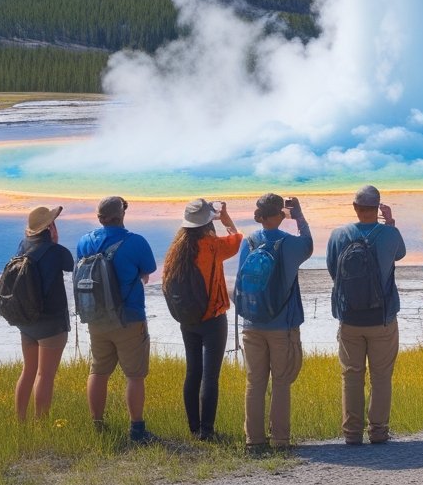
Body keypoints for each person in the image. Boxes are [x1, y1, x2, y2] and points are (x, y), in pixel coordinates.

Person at [327, 185, 406, 445]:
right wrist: (391, 222)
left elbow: (333, 271)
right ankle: (379, 431)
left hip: (349, 317)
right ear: (378, 208)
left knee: (352, 375)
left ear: (355, 208)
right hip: (382, 317)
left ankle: (352, 433)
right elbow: (400, 254)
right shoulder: (390, 234)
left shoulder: (338, 234)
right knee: (381, 375)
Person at [76, 196, 158, 443]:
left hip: (96, 317)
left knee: (99, 370)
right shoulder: (136, 242)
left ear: (99, 217)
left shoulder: (84, 242)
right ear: (122, 215)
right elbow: (148, 270)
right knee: (134, 375)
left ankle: (97, 424)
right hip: (129, 317)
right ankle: (136, 429)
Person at [161, 198, 242, 440]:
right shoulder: (213, 246)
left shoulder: (175, 250)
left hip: (187, 319)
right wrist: (226, 221)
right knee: (210, 376)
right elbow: (237, 241)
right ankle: (207, 431)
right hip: (213, 319)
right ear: (208, 221)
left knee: (193, 372)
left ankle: (193, 428)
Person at [239, 193, 313, 454]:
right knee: (281, 382)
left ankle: (254, 440)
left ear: (259, 217)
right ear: (280, 215)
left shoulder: (247, 242)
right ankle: (280, 439)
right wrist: (299, 215)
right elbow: (309, 244)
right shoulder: (291, 243)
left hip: (251, 321)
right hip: (282, 323)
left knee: (254, 382)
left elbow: (242, 280)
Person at [13, 205, 74, 420]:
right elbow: (70, 265)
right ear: (49, 227)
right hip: (51, 323)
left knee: (28, 371)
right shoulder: (56, 252)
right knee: (45, 375)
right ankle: (42, 425)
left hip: (27, 320)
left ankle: (20, 420)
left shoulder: (23, 245)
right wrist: (55, 242)